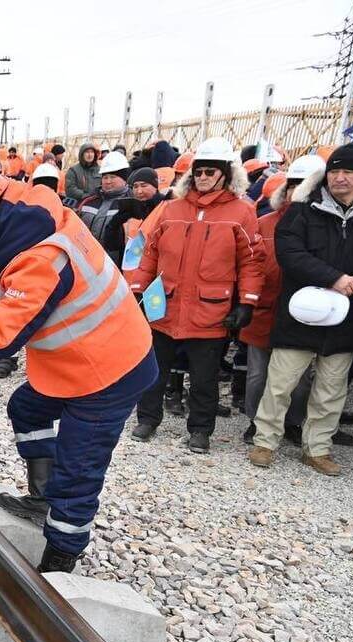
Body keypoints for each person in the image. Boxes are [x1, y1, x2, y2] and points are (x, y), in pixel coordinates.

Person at [0, 172, 156, 573]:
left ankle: (61, 557)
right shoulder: (32, 214)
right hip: (84, 358)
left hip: (110, 371)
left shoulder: (42, 262)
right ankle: (42, 499)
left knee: (79, 468)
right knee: (27, 408)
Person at [249, 143, 353, 475]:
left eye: (348, 172)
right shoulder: (302, 210)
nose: (340, 178)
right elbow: (290, 252)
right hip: (301, 314)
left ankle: (317, 448)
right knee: (280, 383)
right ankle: (265, 442)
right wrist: (333, 278)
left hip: (348, 317)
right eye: (335, 171)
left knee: (331, 389)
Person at [125, 137, 264, 453]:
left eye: (210, 171)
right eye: (199, 171)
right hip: (165, 305)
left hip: (209, 310)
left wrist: (247, 303)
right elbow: (150, 253)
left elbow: (252, 261)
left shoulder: (242, 212)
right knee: (153, 371)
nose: (203, 177)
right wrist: (137, 290)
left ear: (226, 174)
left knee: (204, 378)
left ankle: (200, 430)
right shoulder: (171, 208)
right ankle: (147, 419)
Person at [240, 155, 326, 444]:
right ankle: (256, 422)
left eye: (305, 186)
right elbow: (249, 263)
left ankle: (291, 422)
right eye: (293, 185)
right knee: (258, 377)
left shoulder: (325, 228)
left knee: (299, 380)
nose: (297, 192)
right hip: (264, 309)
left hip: (303, 314)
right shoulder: (263, 223)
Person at [104, 166, 168, 269]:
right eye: (135, 186)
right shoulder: (131, 212)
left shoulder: (166, 209)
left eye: (144, 186)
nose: (139, 191)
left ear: (155, 186)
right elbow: (112, 245)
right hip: (131, 275)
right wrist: (114, 224)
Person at [76, 152, 132, 263]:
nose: (108, 181)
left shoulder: (132, 205)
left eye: (113, 177)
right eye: (105, 177)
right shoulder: (88, 202)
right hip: (86, 262)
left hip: (115, 267)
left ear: (124, 179)